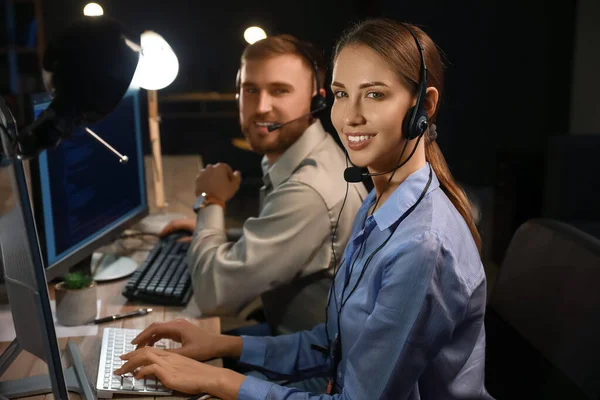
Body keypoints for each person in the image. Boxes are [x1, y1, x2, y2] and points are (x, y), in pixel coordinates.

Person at [114, 18, 494, 399]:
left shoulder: (422, 247)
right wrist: (221, 347)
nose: (350, 116)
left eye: (375, 94)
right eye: (342, 95)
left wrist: (217, 379)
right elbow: (334, 344)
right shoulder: (382, 202)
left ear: (423, 106)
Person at [160, 34, 367, 335]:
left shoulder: (309, 189)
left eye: (280, 91)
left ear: (316, 101)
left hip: (312, 370)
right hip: (289, 339)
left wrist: (211, 201)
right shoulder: (298, 156)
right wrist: (221, 233)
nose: (261, 107)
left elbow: (212, 295)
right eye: (251, 90)